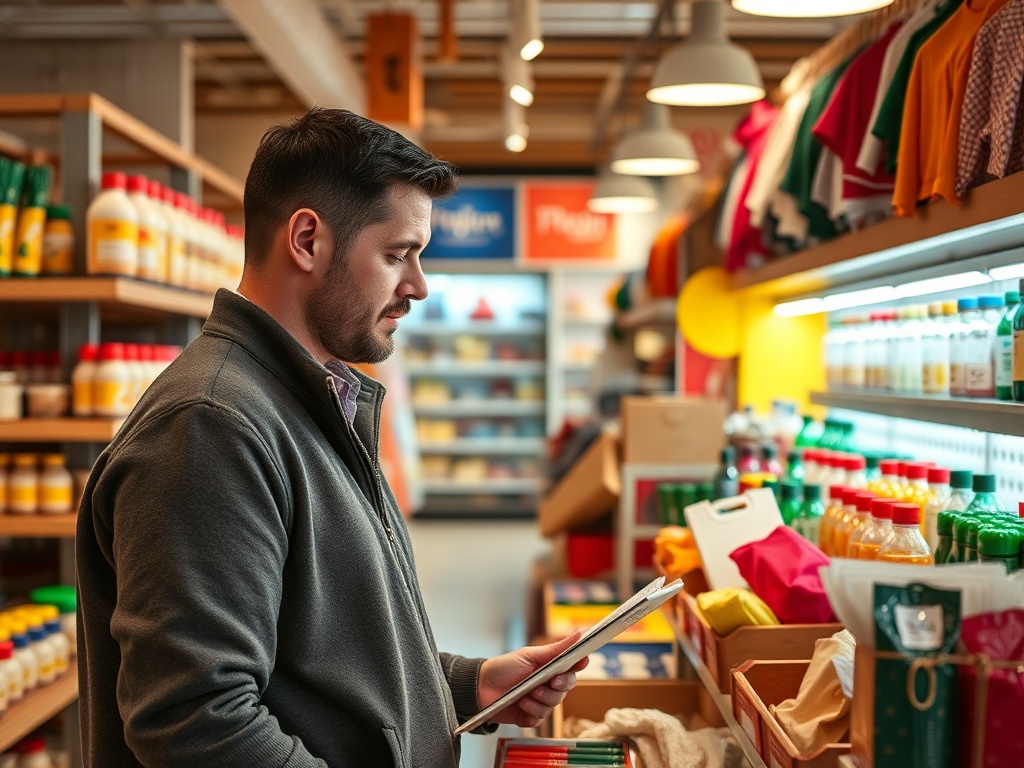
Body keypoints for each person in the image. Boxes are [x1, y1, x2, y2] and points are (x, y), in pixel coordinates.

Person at [76, 108, 586, 767]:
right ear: (308, 240)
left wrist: (466, 683)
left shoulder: (305, 398)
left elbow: (317, 648)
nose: (419, 286)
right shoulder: (210, 426)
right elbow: (197, 723)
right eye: (397, 255)